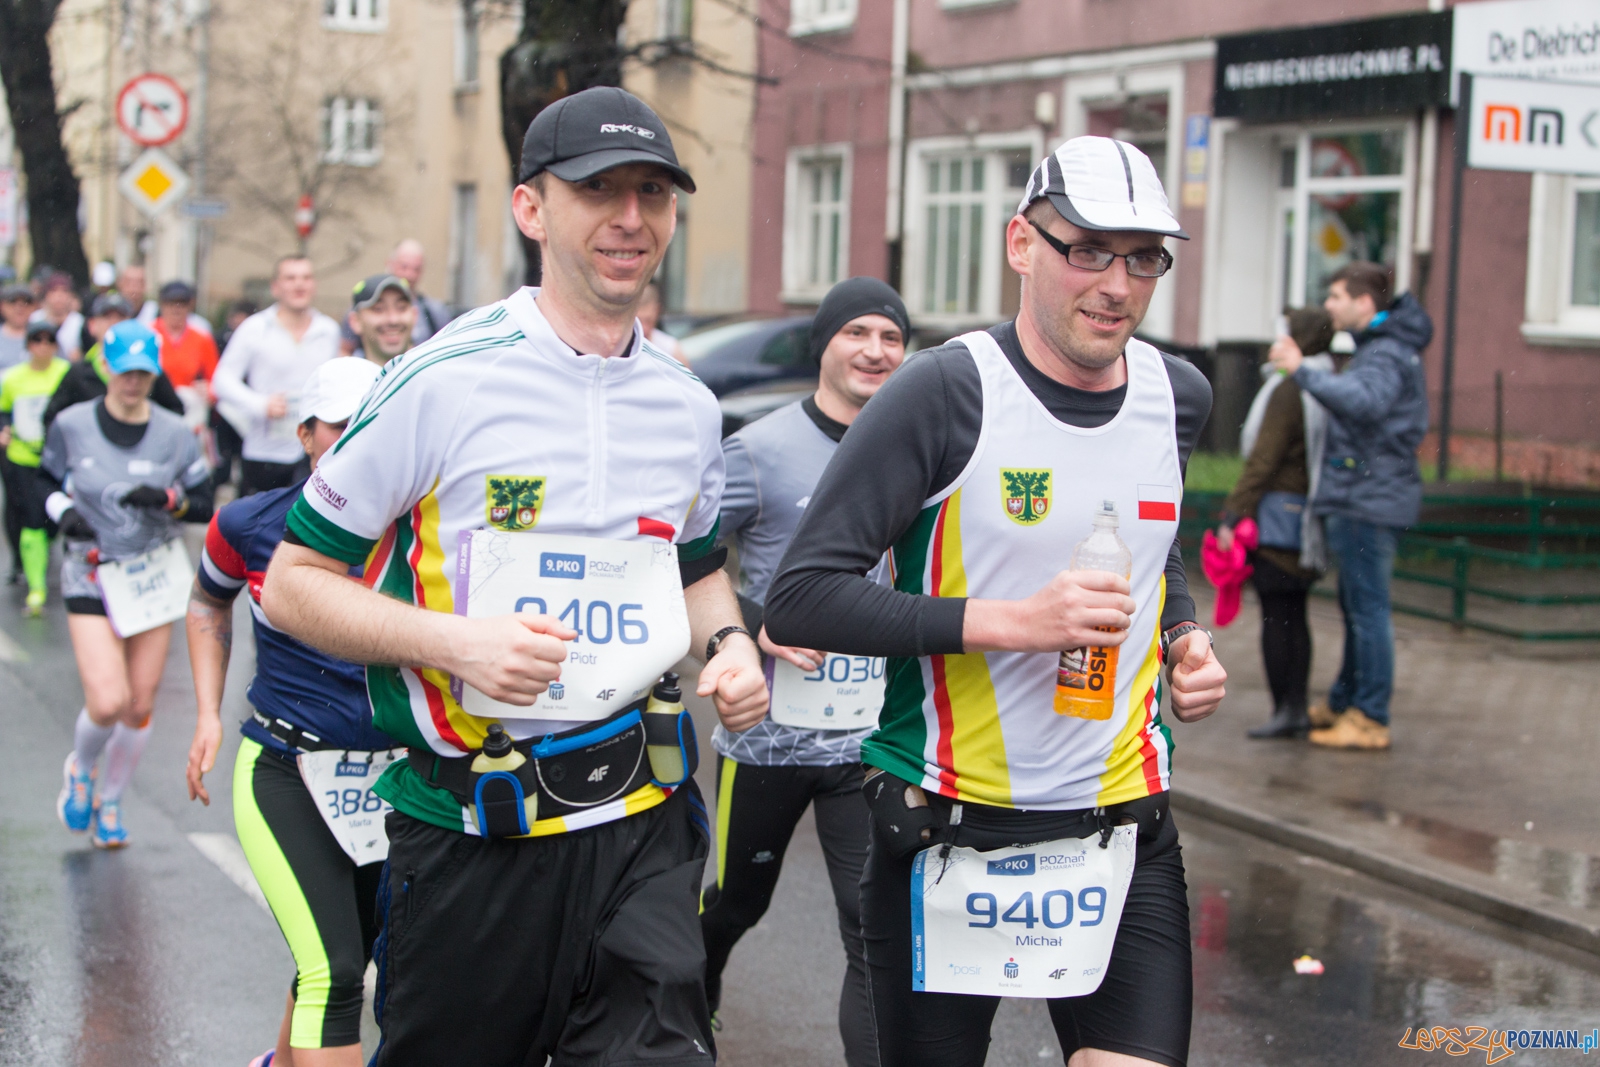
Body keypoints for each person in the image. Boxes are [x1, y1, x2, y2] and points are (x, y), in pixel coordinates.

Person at [259, 86, 767, 1064]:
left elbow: (695, 563)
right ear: (531, 208)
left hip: (644, 822)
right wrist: (456, 644)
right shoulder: (440, 380)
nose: (631, 218)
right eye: (600, 191)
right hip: (471, 835)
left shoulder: (687, 403)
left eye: (653, 193)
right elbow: (293, 582)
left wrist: (731, 643)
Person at [764, 136, 1228, 1067]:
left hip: (1120, 826)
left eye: (1144, 258)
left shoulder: (1178, 395)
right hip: (946, 825)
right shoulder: (944, 391)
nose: (1118, 284)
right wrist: (1012, 623)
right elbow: (802, 599)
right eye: (1087, 250)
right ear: (1021, 243)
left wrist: (1181, 630)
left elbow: (1155, 541)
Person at [699, 276, 908, 1063]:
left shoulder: (916, 449)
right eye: (857, 332)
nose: (875, 350)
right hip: (769, 739)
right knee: (732, 903)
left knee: (870, 925)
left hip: (869, 741)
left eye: (890, 337)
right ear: (825, 343)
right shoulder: (759, 447)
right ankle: (694, 1003)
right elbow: (687, 562)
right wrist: (755, 629)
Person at [186, 357, 391, 1067]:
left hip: (396, 782)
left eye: (373, 422)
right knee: (334, 973)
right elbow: (207, 601)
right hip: (285, 768)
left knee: (353, 954)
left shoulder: (424, 534)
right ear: (305, 434)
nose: (357, 439)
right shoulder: (248, 523)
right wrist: (209, 713)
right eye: (340, 425)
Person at [46, 321, 214, 848]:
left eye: (144, 372)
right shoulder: (72, 424)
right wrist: (63, 511)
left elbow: (204, 501)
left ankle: (111, 800)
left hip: (150, 576)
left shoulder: (173, 432)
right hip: (91, 571)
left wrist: (166, 501)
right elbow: (42, 477)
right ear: (108, 369)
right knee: (107, 699)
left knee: (139, 705)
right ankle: (82, 769)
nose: (133, 382)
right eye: (125, 372)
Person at [1268, 262, 1430, 752]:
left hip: (1368, 499)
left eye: (1338, 296)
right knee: (1356, 607)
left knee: (1368, 611)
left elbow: (1362, 402)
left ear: (1365, 303)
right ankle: (1345, 702)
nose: (1330, 305)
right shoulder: (1384, 349)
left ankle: (1370, 716)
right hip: (1366, 494)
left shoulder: (1384, 353)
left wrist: (1299, 371)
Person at [1217, 307, 1336, 740]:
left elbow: (1264, 460)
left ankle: (1287, 709)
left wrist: (1235, 511)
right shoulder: (1323, 382)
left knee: (1277, 617)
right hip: (1306, 517)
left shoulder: (1288, 390)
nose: (1274, 342)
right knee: (1294, 616)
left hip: (1279, 520)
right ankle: (1295, 707)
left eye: (1282, 335)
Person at [212, 257, 341, 496]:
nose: (299, 285)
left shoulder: (328, 331)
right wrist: (260, 404)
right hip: (264, 452)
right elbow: (222, 380)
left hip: (312, 454)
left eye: (306, 278)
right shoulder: (255, 328)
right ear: (275, 287)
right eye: (291, 278)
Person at [0, 322, 71, 612]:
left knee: (53, 521)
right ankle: (36, 585)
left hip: (59, 461)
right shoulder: (12, 378)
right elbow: (3, 411)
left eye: (48, 341)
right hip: (23, 457)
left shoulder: (67, 374)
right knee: (29, 518)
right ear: (28, 346)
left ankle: (45, 562)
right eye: (36, 341)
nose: (42, 347)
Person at [44, 294, 186, 434]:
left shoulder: (147, 368)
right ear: (92, 325)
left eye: (121, 317)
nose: (114, 323)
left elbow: (175, 413)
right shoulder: (78, 373)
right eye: (107, 317)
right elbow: (52, 419)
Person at [210, 300, 258, 492]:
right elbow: (218, 375)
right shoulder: (222, 337)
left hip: (249, 408)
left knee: (245, 457)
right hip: (223, 409)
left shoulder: (257, 339)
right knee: (222, 457)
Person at [345, 273, 417, 367]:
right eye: (378, 309)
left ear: (415, 315)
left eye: (401, 308)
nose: (393, 320)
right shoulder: (344, 378)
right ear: (355, 321)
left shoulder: (433, 376)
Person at [30, 272, 84, 360]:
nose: (59, 296)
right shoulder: (35, 319)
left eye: (64, 291)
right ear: (46, 295)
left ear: (71, 295)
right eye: (54, 291)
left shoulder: (79, 322)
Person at [637, 281, 688, 366]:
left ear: (657, 311)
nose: (644, 328)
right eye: (639, 321)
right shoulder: (618, 347)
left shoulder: (670, 349)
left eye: (648, 321)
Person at [0, 283, 37, 372]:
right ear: (2, 306)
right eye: (13, 301)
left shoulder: (44, 336)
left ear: (34, 307)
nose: (20, 307)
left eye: (26, 302)